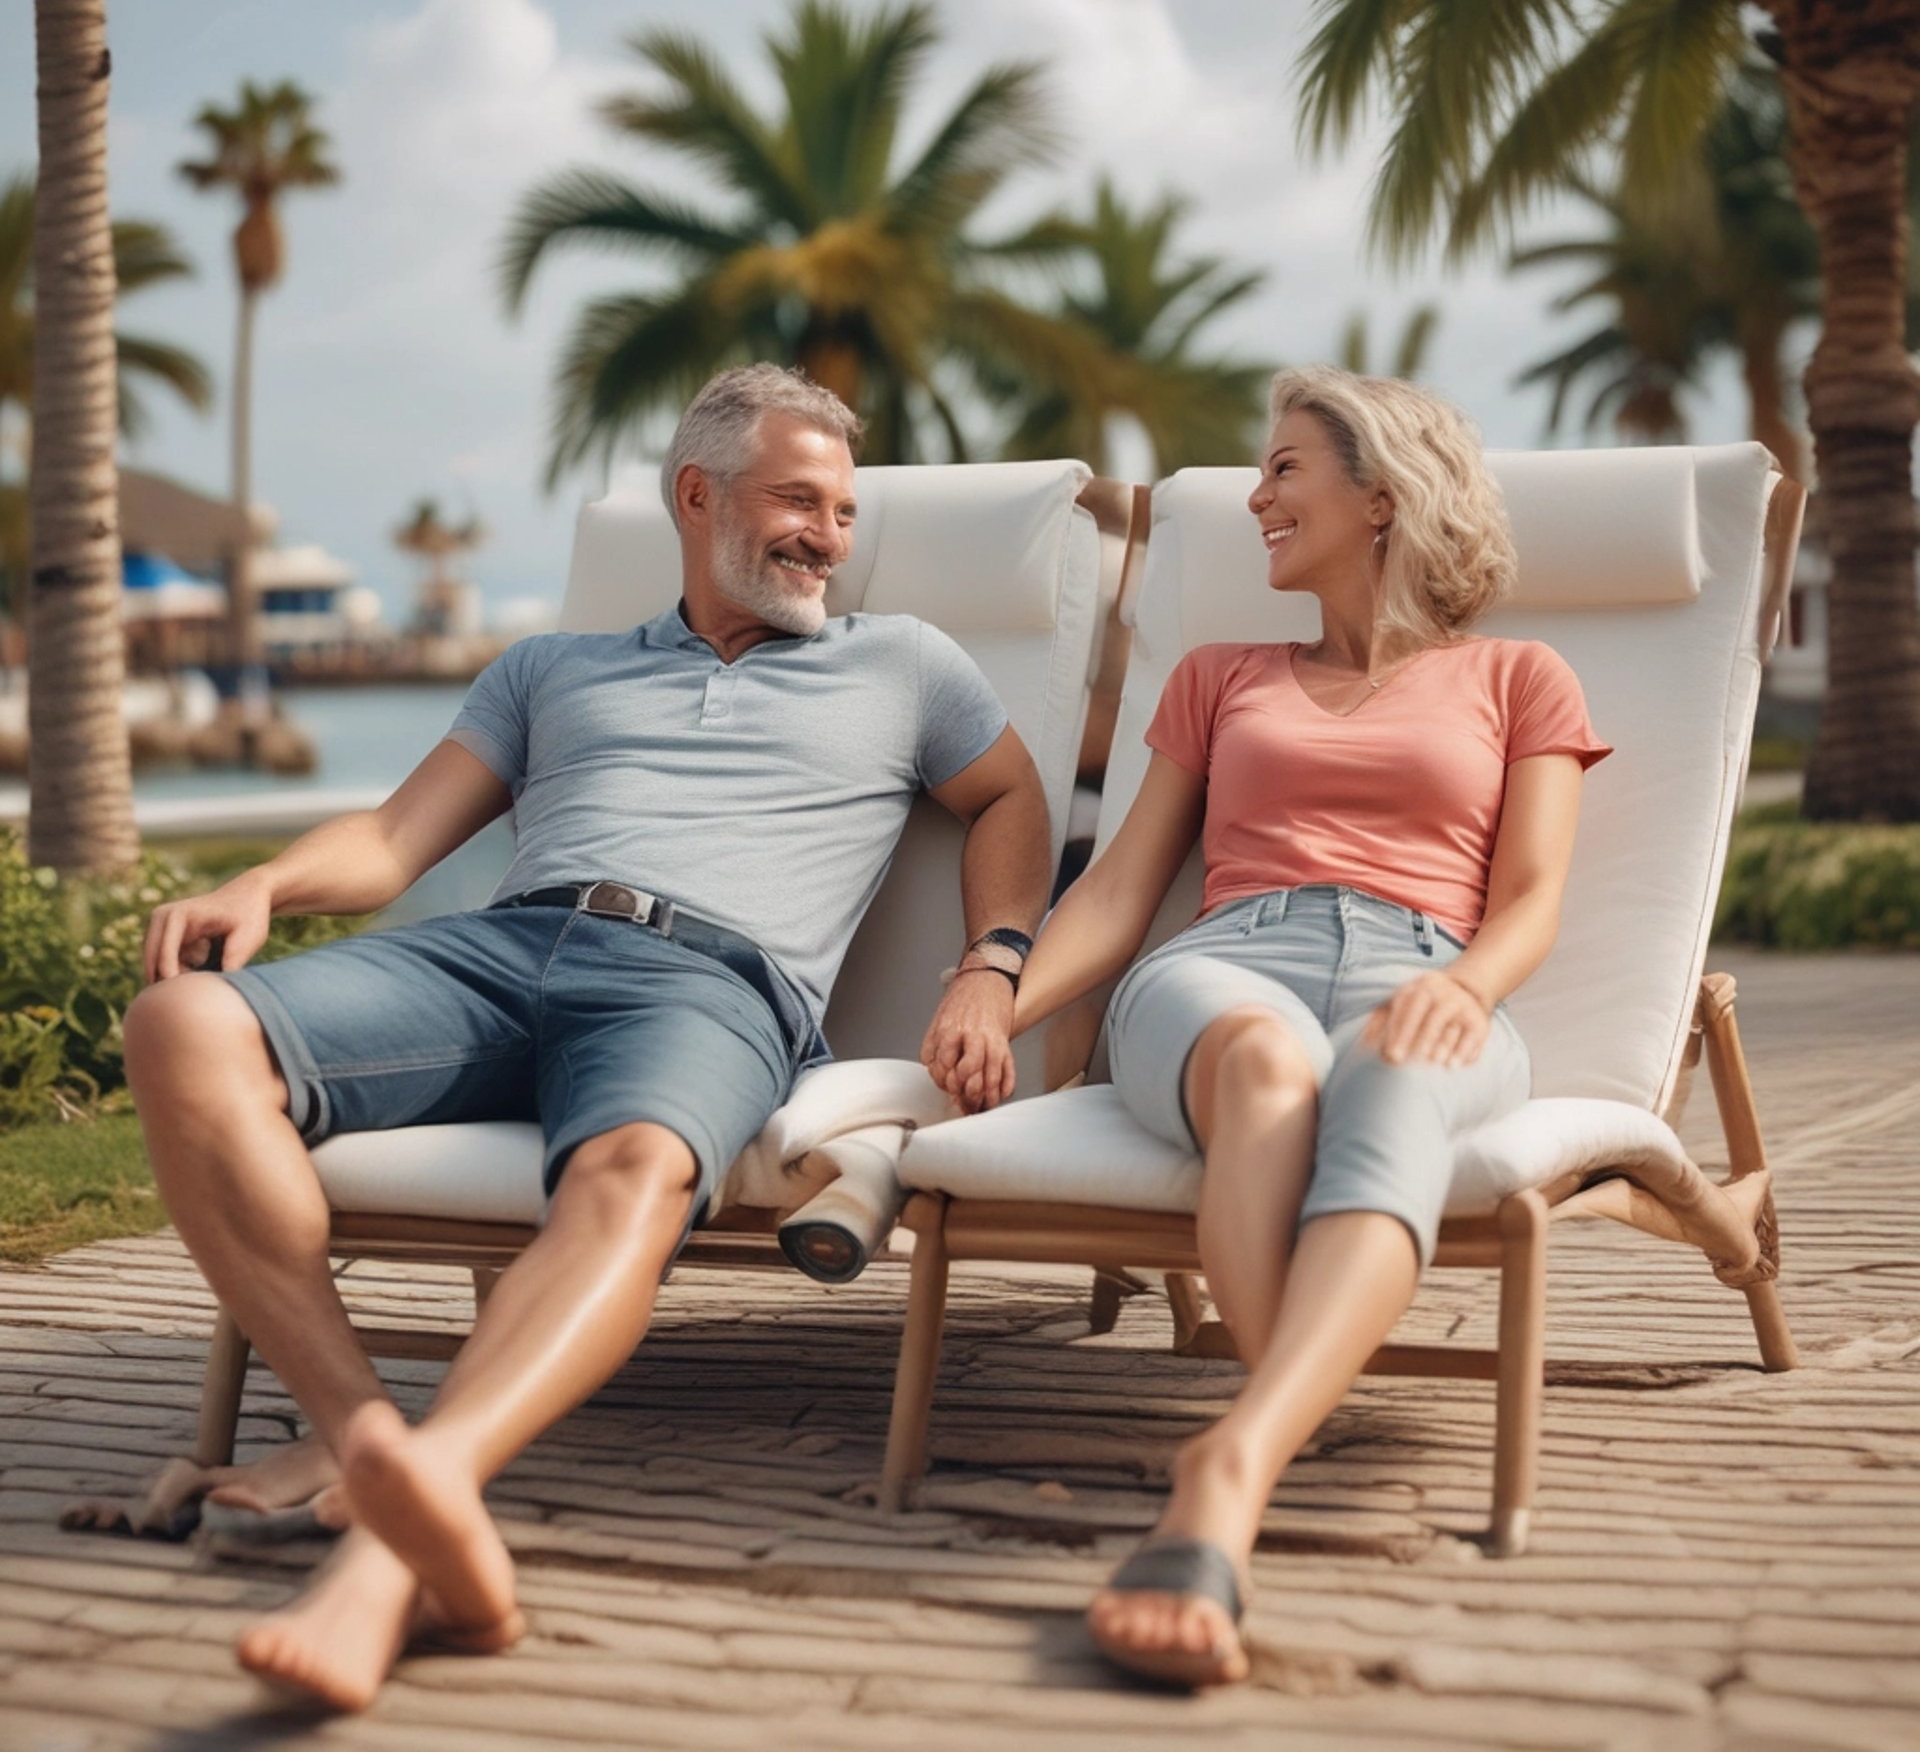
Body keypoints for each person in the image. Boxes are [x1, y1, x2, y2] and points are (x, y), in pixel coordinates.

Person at [124, 364, 1052, 1712]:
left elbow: (1014, 797)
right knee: (182, 1025)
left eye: (845, 513)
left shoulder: (904, 662)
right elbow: (390, 839)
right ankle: (356, 1435)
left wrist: (991, 966)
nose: (830, 537)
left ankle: (402, 1528)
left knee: (633, 1167)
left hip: (709, 984)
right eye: (801, 502)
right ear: (698, 496)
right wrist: (264, 883)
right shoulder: (549, 668)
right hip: (501, 949)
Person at [1004, 364, 1654, 1688]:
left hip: (1430, 969)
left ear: (1383, 496)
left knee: (1393, 1081)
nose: (1257, 498)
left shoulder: (1520, 678)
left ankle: (1230, 1461)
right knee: (1262, 1065)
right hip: (1224, 963)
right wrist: (992, 993)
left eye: (1285, 469)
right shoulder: (1219, 676)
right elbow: (1119, 891)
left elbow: (1530, 899)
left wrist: (1464, 989)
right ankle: (1255, 1452)